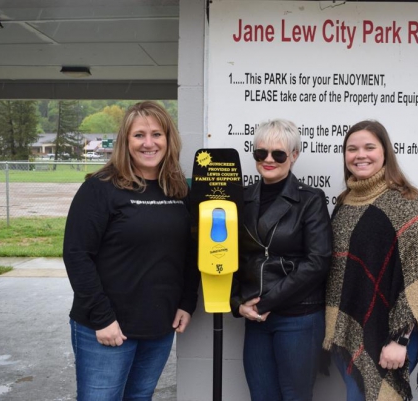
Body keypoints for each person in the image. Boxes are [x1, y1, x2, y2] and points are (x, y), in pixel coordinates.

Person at [63, 101, 199, 401]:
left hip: (159, 327)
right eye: (139, 135)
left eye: (156, 134)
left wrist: (187, 302)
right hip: (107, 328)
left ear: (168, 139)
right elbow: (76, 254)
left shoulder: (178, 190)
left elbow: (189, 253)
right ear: (125, 142)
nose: (148, 143)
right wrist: (102, 319)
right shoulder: (100, 189)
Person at [323, 120, 418, 401]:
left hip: (393, 334)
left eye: (370, 147)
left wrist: (400, 340)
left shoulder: (407, 202)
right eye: (352, 149)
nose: (360, 155)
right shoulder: (344, 203)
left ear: (385, 152)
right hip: (350, 330)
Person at [230, 119, 332, 401]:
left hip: (298, 317)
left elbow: (318, 261)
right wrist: (237, 304)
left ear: (294, 155)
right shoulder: (242, 198)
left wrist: (264, 303)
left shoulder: (310, 200)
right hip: (255, 319)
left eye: (279, 154)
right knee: (261, 396)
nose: (269, 160)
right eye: (261, 153)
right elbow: (231, 256)